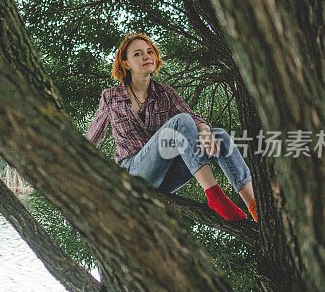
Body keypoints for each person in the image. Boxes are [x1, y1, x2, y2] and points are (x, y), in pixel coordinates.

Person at [85, 33, 258, 221]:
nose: (146, 56)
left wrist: (205, 130)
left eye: (150, 52)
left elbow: (193, 117)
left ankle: (255, 207)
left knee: (219, 135)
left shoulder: (164, 93)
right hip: (135, 174)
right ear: (125, 64)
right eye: (137, 54)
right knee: (180, 121)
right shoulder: (110, 97)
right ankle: (214, 196)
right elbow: (90, 140)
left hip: (166, 176)